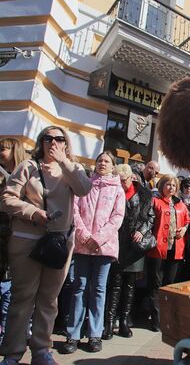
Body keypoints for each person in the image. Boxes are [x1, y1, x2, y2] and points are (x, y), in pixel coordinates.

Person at [0, 126, 92, 365]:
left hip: (59, 243)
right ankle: (12, 353)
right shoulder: (27, 167)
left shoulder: (73, 169)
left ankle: (41, 350)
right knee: (23, 297)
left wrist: (65, 162)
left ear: (65, 143)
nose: (53, 142)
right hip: (26, 241)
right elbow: (7, 198)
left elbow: (83, 189)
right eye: (48, 138)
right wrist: (32, 212)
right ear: (41, 142)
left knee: (49, 300)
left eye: (59, 139)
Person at [60, 151, 125, 355]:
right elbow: (75, 211)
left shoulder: (118, 190)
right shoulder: (84, 185)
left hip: (104, 247)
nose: (102, 164)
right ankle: (73, 335)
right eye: (99, 161)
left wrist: (98, 239)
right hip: (83, 245)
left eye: (106, 161)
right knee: (79, 287)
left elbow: (117, 217)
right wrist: (85, 237)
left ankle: (95, 334)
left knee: (98, 289)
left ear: (113, 166)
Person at [102, 164, 154, 340]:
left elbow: (150, 217)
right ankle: (109, 323)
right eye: (118, 180)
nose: (120, 183)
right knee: (115, 285)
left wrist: (142, 230)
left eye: (123, 180)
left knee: (130, 286)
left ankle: (124, 321)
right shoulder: (112, 192)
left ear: (131, 178)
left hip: (134, 245)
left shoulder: (144, 194)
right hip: (116, 243)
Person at [146, 175, 190, 331]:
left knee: (169, 285)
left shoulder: (180, 205)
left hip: (175, 249)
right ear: (162, 186)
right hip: (157, 249)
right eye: (168, 184)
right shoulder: (155, 201)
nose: (171, 187)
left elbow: (187, 221)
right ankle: (156, 319)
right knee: (155, 285)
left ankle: (168, 317)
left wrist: (184, 229)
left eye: (173, 185)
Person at [0, 139, 28, 345]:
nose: (0, 152)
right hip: (3, 237)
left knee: (11, 290)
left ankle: (9, 335)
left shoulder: (24, 175)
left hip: (15, 237)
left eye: (4, 149)